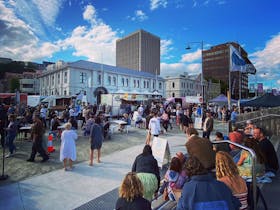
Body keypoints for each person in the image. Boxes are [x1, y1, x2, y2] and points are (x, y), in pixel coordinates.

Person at [176, 155, 241, 210]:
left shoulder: (188, 188)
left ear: (188, 173)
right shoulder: (222, 185)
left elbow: (181, 207)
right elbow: (236, 204)